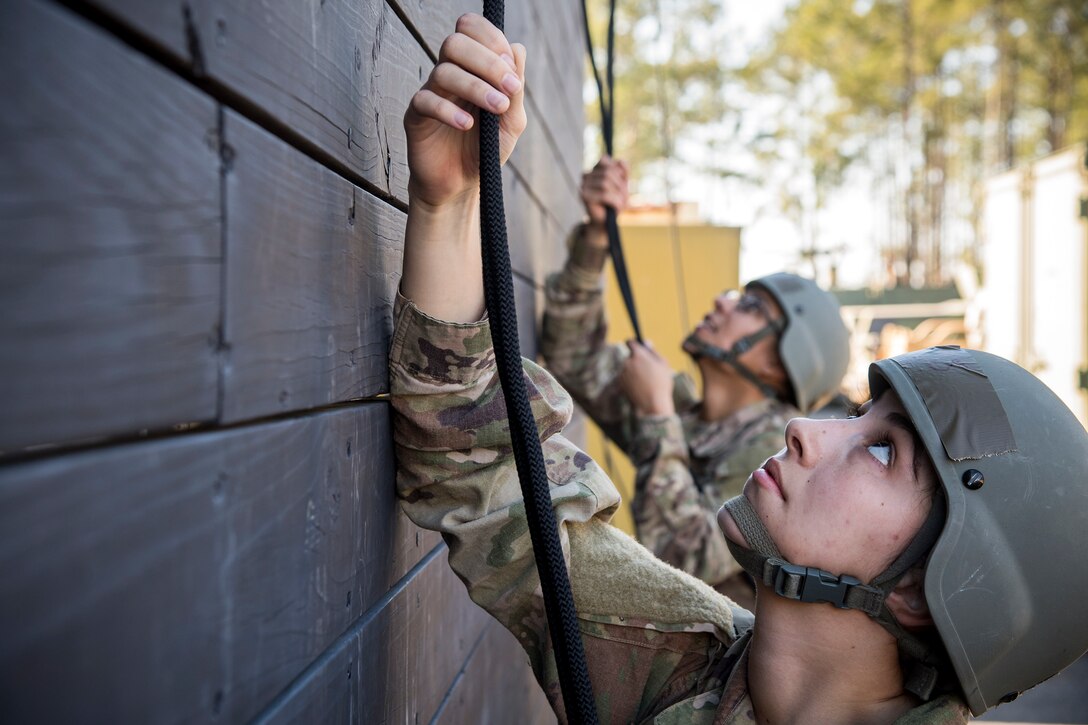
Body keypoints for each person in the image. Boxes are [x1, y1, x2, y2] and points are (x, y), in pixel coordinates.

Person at [394, 14, 1088, 723]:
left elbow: (687, 552)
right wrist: (449, 204)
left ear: (921, 587)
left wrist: (660, 421)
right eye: (856, 418)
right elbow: (482, 460)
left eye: (884, 451)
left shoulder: (722, 472)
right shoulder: (688, 661)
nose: (803, 433)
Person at [541, 158, 850, 605]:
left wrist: (655, 415)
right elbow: (574, 355)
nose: (722, 304)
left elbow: (683, 561)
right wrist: (596, 237)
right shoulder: (689, 411)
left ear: (780, 367)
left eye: (751, 309)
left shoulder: (782, 458)